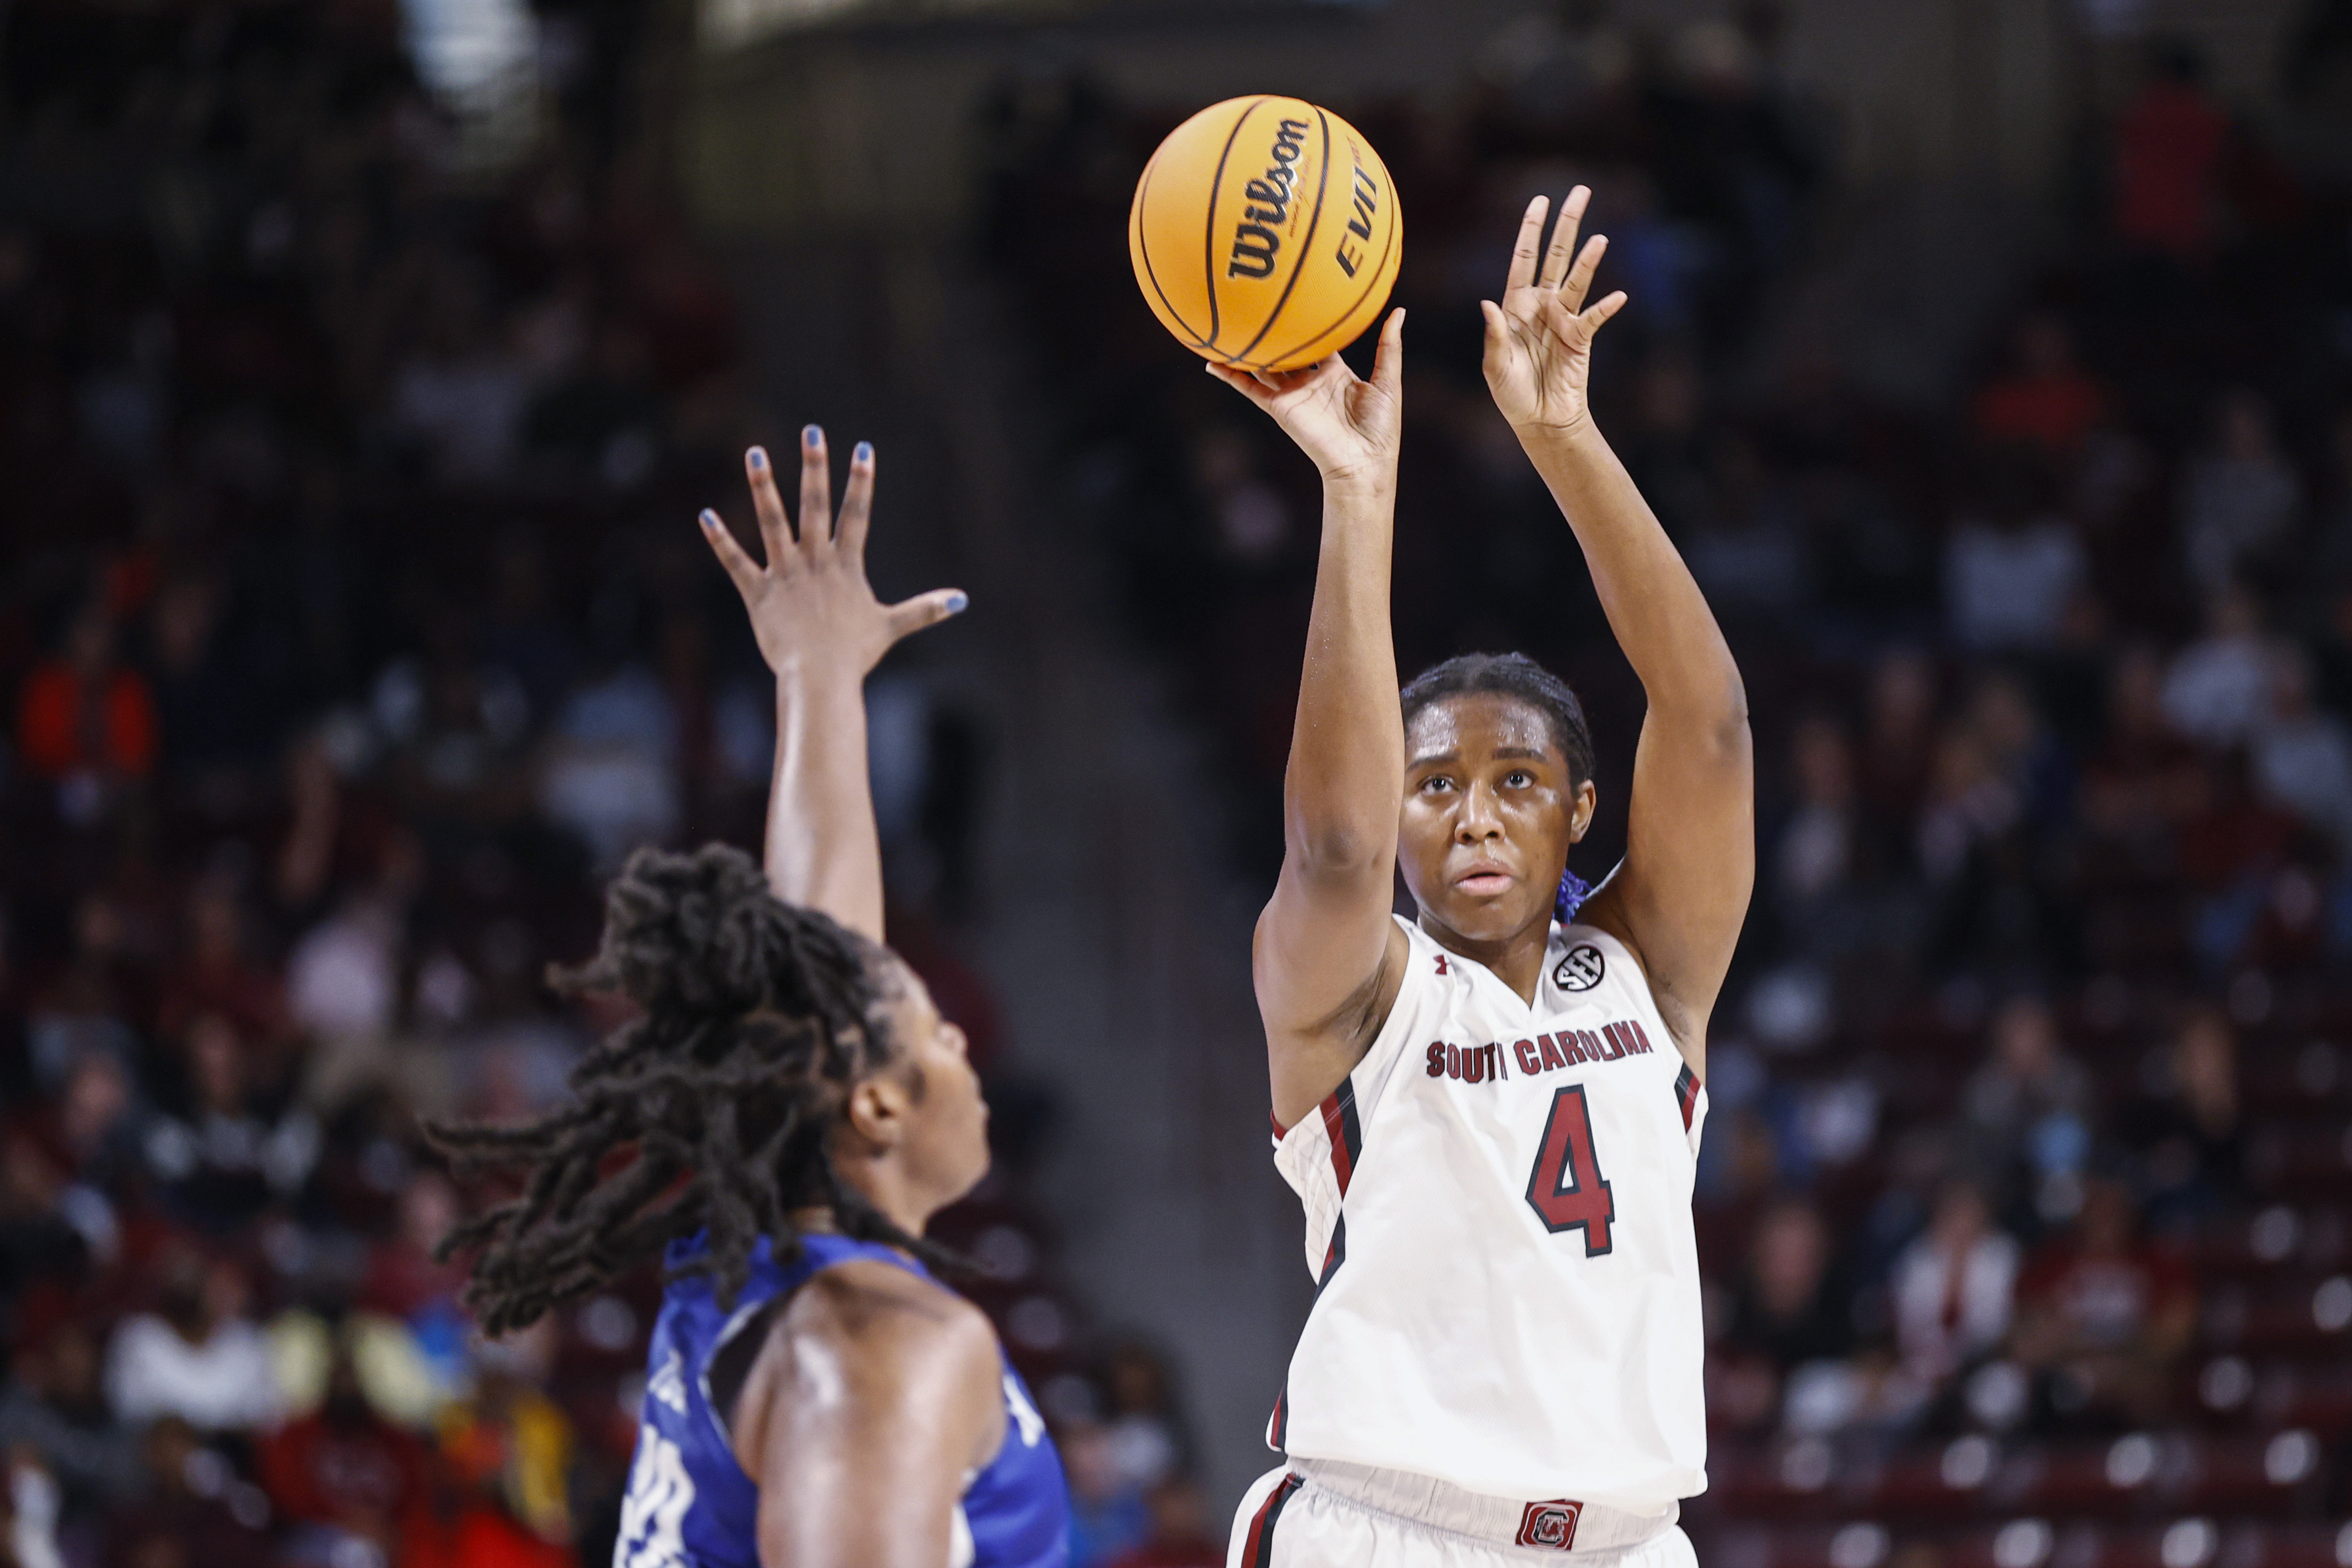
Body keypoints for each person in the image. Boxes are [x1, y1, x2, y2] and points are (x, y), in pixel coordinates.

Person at [1209, 188, 1751, 1565]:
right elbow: (1328, 848)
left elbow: (1706, 726)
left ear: (1578, 810)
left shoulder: (1646, 971)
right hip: (1384, 1526)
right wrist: (1354, 489)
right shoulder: (1363, 995)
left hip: (1629, 1541)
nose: (1471, 817)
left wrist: (1562, 438)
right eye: (1432, 784)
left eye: (1513, 782)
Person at [428, 431, 1069, 1567]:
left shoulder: (779, 1266)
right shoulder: (875, 1349)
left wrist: (818, 683)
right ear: (870, 1107)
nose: (963, 1034)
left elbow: (824, 953)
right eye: (935, 1025)